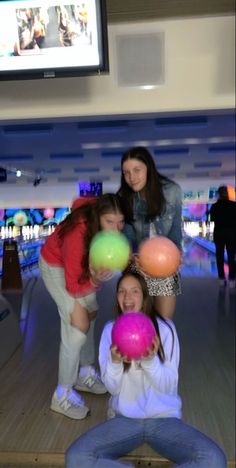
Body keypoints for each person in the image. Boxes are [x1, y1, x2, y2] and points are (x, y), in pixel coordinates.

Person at [66, 271, 227, 468]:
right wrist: (115, 362)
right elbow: (113, 388)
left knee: (214, 459)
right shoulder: (110, 331)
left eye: (134, 291)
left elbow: (168, 386)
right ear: (117, 298)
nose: (127, 298)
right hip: (125, 420)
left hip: (164, 421)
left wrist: (150, 361)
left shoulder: (165, 329)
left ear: (144, 297)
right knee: (76, 457)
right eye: (122, 292)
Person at [39, 194, 125, 420]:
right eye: (110, 222)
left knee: (92, 311)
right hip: (54, 266)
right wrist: (95, 281)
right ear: (98, 217)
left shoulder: (100, 230)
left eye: (120, 222)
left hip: (76, 269)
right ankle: (62, 394)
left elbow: (88, 269)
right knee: (77, 327)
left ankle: (84, 373)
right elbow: (73, 285)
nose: (116, 229)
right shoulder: (78, 234)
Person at [117, 146, 182, 319]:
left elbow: (175, 231)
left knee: (164, 321)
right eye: (126, 172)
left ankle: (160, 346)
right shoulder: (124, 197)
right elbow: (127, 237)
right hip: (137, 262)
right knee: (137, 320)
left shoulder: (172, 191)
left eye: (137, 170)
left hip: (165, 264)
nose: (131, 177)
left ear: (149, 168)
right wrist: (132, 258)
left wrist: (176, 257)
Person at [210, 185, 236, 289]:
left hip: (219, 232)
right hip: (232, 233)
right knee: (231, 256)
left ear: (218, 194)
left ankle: (221, 279)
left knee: (219, 256)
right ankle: (232, 279)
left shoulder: (215, 206)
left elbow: (212, 219)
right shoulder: (234, 205)